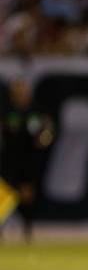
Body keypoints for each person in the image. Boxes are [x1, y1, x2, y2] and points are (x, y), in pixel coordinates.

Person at [0, 77, 53, 241]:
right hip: (8, 157)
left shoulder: (36, 110)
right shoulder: (6, 110)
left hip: (29, 158)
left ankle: (27, 228)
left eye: (23, 90)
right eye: (17, 90)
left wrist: (44, 138)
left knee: (27, 193)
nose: (20, 93)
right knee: (5, 193)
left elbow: (48, 130)